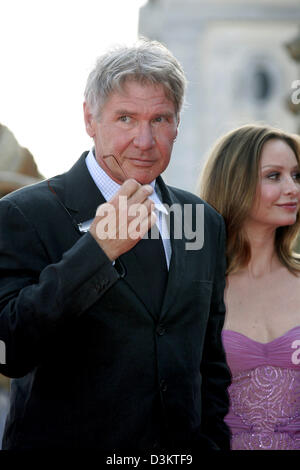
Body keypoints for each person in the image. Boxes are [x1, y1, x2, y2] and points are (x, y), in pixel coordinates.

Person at [0, 39, 230, 452]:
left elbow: (208, 359)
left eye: (160, 119)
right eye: (126, 118)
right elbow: (9, 349)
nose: (144, 140)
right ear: (90, 118)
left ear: (177, 124)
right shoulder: (22, 214)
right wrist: (97, 251)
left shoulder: (201, 220)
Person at [199, 124, 300, 450]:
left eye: (296, 176)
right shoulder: (196, 288)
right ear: (234, 184)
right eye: (274, 176)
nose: (292, 188)